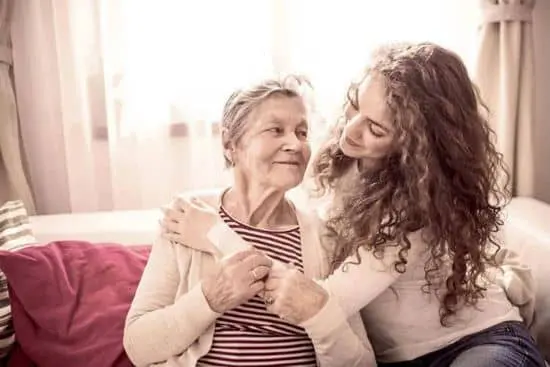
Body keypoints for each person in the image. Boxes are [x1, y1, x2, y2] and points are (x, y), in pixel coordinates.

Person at [161, 42, 546, 366]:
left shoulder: (417, 206)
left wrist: (215, 235)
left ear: (418, 146)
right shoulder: (337, 162)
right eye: (354, 106)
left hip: (479, 345)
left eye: (376, 129)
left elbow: (318, 300)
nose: (350, 130)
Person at [123, 75, 375, 367]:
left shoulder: (324, 238)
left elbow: (362, 363)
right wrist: (208, 299)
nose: (295, 144)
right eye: (276, 130)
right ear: (231, 144)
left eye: (302, 132)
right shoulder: (187, 216)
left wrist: (316, 313)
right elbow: (138, 346)